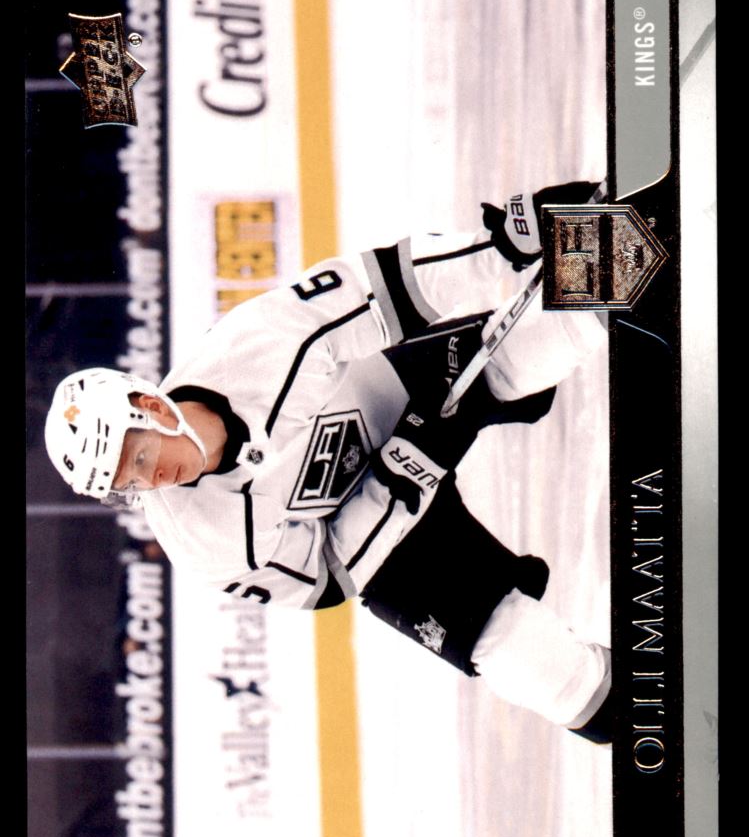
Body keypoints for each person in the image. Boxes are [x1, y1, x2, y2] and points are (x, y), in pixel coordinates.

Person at [45, 182, 612, 743]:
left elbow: (383, 287)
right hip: (379, 538)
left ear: (149, 406)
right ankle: (626, 699)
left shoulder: (247, 348)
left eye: (141, 455)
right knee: (524, 657)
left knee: (514, 354)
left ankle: (618, 250)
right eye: (131, 481)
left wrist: (502, 244)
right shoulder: (200, 540)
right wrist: (402, 475)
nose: (152, 479)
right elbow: (330, 576)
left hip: (393, 394)